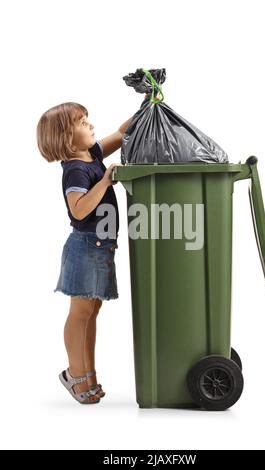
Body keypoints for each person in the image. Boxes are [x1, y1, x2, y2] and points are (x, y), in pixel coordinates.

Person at [36, 100, 139, 404]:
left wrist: (147, 106)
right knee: (81, 314)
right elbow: (79, 210)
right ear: (67, 137)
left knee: (91, 313)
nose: (91, 125)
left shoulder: (92, 155)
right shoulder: (76, 171)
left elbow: (121, 133)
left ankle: (88, 375)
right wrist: (106, 179)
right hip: (85, 247)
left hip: (102, 247)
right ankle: (75, 375)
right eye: (83, 122)